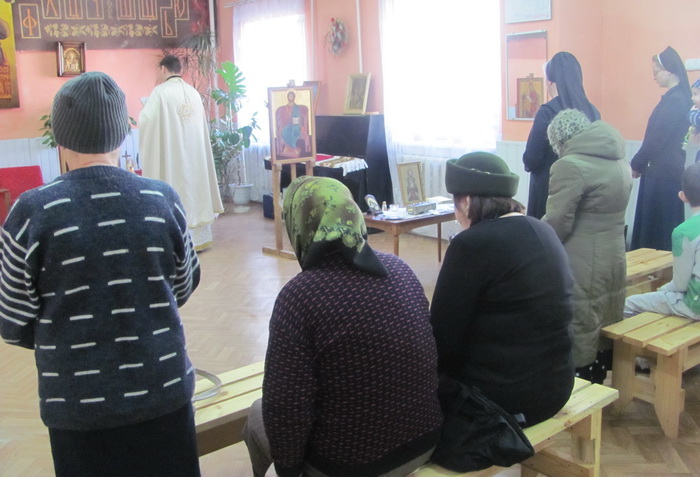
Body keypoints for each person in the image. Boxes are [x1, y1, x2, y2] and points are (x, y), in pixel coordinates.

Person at [0, 72, 202, 477]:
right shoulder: (161, 199)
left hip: (79, 407)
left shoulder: (32, 212)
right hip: (163, 393)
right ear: (122, 135)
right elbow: (183, 286)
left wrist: (65, 332)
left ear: (60, 138)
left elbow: (12, 321)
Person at [243, 176, 442, 477]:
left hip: (350, 466)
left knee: (257, 415)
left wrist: (287, 470)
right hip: (425, 442)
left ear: (299, 224)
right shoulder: (400, 268)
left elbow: (286, 408)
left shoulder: (299, 296)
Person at [430, 152, 574, 427]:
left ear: (466, 201)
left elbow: (442, 336)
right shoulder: (543, 229)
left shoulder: (471, 244)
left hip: (502, 400)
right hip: (557, 386)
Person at [544, 109, 632, 384]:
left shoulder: (569, 165)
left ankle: (579, 387)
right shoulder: (618, 158)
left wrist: (534, 235)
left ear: (559, 140)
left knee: (581, 320)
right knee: (606, 314)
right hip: (614, 254)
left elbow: (558, 222)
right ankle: (599, 380)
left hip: (581, 258)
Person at [139, 54, 223, 251]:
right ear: (180, 69)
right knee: (195, 191)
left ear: (163, 69)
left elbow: (146, 121)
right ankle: (199, 239)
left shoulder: (160, 92)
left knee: (175, 187)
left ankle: (177, 240)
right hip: (195, 158)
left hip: (174, 158)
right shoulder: (193, 93)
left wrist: (144, 109)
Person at [522, 52, 600, 219]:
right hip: (584, 188)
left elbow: (532, 158)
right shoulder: (593, 111)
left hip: (550, 188)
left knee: (547, 232)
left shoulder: (547, 112)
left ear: (550, 82)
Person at [630, 46, 692, 251]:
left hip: (662, 175)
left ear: (669, 71)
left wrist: (636, 163)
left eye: (656, 72)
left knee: (656, 232)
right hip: (665, 172)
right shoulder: (678, 98)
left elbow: (657, 138)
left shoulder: (675, 100)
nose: (654, 76)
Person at [625, 162, 700, 320]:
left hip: (695, 306)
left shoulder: (684, 232)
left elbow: (680, 285)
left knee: (628, 303)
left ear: (683, 196)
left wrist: (660, 290)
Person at [275, 90, 311, 160]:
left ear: (294, 97)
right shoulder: (284, 107)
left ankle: (293, 148)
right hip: (289, 125)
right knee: (284, 131)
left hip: (297, 124)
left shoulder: (296, 107)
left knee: (294, 131)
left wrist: (297, 123)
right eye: (289, 96)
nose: (290, 97)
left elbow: (298, 116)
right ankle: (288, 149)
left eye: (291, 96)